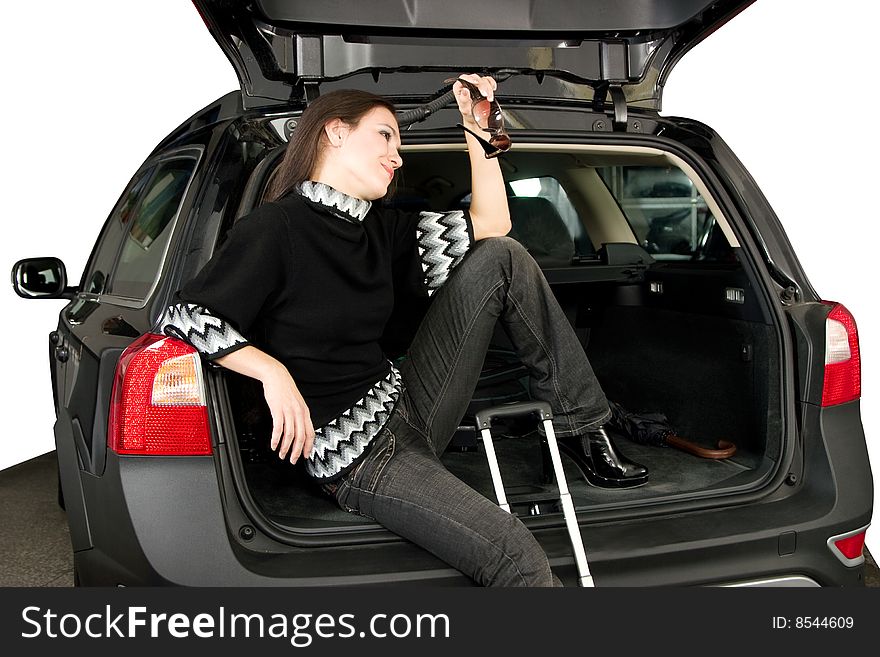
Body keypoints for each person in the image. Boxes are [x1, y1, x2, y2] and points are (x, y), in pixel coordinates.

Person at [158, 74, 647, 586]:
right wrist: (272, 372)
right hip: (359, 454)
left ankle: (583, 426)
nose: (398, 155)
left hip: (408, 404)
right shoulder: (275, 228)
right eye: (385, 135)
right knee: (518, 560)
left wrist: (473, 127)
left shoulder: (379, 227)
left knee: (503, 257)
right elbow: (185, 318)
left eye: (398, 142)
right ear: (335, 132)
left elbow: (493, 223)